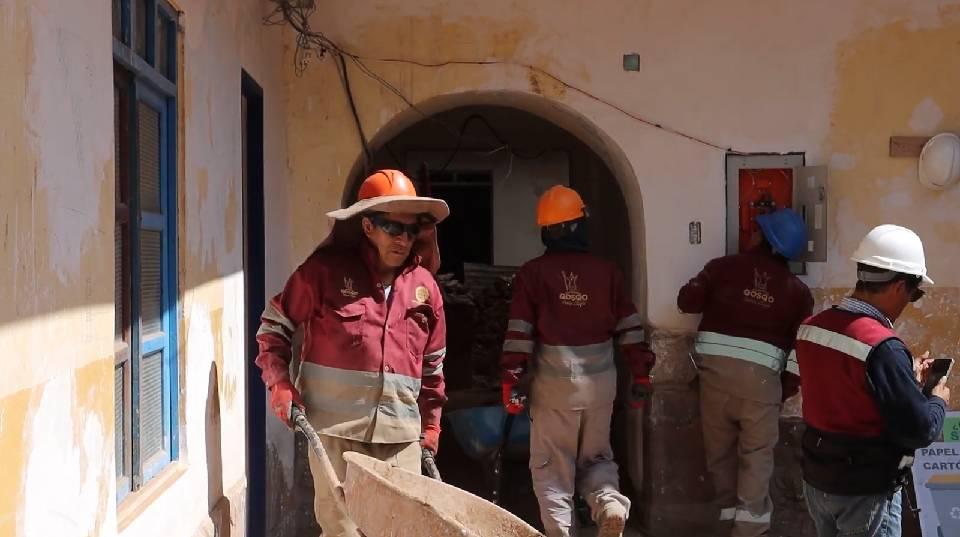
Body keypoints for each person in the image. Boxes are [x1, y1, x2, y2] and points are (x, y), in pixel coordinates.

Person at [254, 169, 449, 537]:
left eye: (412, 230)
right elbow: (273, 329)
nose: (404, 239)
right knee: (343, 531)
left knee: (402, 531)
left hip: (400, 439)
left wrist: (432, 423)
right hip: (335, 435)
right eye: (393, 228)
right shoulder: (322, 274)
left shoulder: (426, 289)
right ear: (367, 226)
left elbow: (433, 366)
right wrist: (279, 384)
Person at [500, 185, 655, 537]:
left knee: (552, 470)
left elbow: (519, 334)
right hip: (601, 387)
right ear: (580, 225)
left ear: (547, 231)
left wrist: (512, 380)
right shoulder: (607, 272)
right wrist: (641, 375)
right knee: (597, 458)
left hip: (554, 390)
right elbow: (630, 329)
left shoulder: (533, 274)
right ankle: (609, 504)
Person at [796, 224, 950, 537]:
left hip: (818, 480)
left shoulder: (813, 328)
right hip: (863, 489)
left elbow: (846, 386)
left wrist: (903, 376)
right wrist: (937, 399)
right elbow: (919, 430)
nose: (910, 301)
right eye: (914, 293)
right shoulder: (883, 348)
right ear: (898, 286)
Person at [677, 208, 814, 537]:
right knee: (756, 460)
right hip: (763, 387)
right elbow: (800, 353)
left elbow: (687, 301)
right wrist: (782, 391)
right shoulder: (799, 294)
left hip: (715, 381)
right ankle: (748, 531)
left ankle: (727, 524)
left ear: (761, 238)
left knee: (720, 457)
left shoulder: (724, 268)